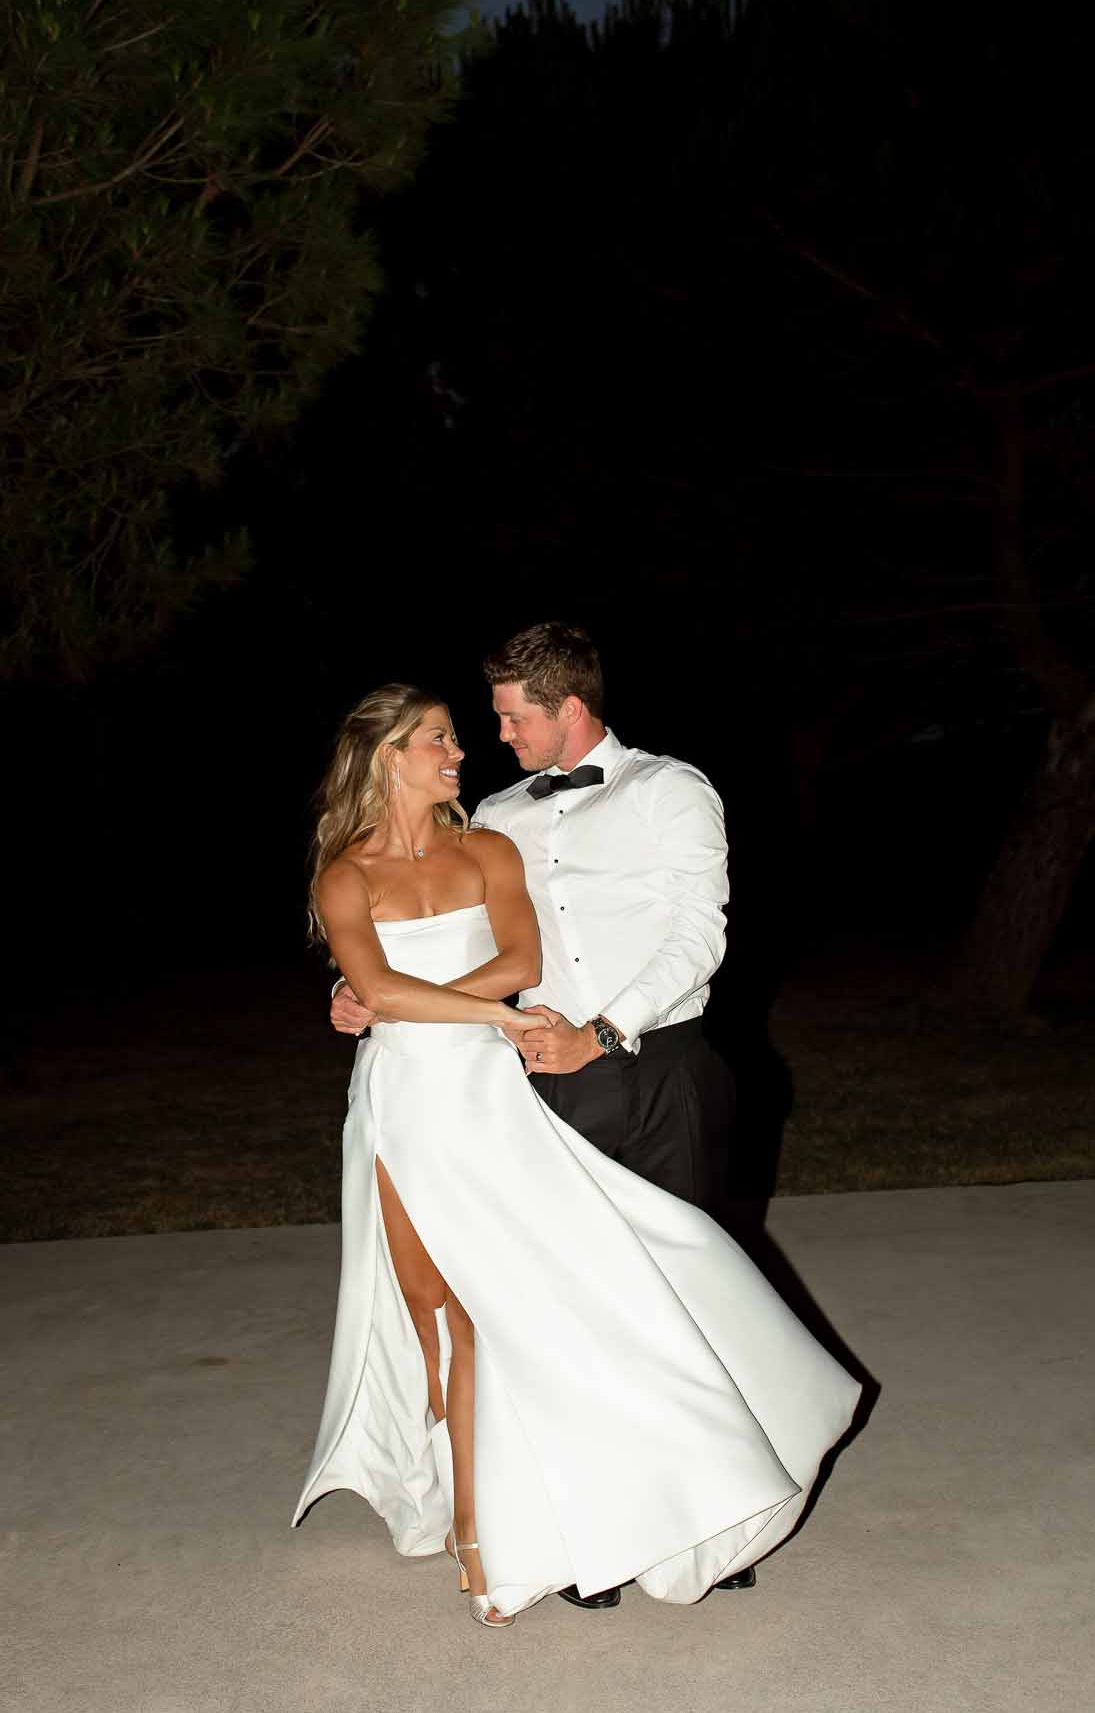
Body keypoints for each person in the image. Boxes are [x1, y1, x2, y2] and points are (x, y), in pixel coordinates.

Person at [294, 681, 861, 1629]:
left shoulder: (575, 818)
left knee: (592, 1286)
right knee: (439, 1304)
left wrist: (424, 1006)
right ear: (390, 756)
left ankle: (652, 1508)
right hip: (424, 1093)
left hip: (568, 1070)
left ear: (565, 703)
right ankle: (483, 1499)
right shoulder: (401, 853)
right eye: (446, 735)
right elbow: (382, 986)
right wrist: (394, 1004)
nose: (476, 745)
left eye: (503, 720)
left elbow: (534, 962)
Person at [332, 621, 745, 1608]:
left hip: (655, 1065)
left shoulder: (669, 790)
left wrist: (604, 1030)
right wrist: (360, 998)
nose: (496, 735)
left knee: (678, 1289)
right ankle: (592, 1523)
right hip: (533, 1076)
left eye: (513, 716)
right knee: (568, 1303)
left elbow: (698, 934)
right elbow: (443, 935)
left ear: (568, 708)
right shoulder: (497, 816)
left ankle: (708, 1520)